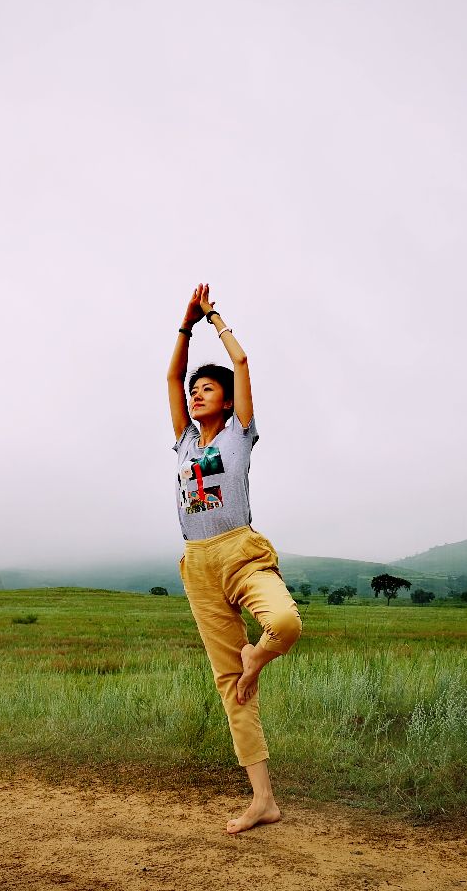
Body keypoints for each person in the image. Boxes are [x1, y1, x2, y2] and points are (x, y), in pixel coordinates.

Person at [166, 283, 303, 835]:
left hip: (241, 552)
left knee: (286, 623)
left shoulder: (240, 435)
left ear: (224, 400)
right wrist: (183, 325)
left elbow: (241, 360)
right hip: (197, 563)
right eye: (195, 389)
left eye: (207, 389)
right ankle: (262, 799)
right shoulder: (183, 442)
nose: (196, 394)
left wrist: (213, 318)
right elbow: (170, 379)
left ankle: (257, 656)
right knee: (232, 686)